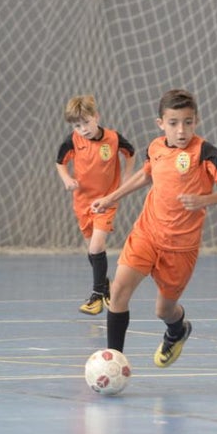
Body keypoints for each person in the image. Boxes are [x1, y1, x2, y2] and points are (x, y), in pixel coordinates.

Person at [91, 88, 217, 367]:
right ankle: (114, 361)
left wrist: (204, 199)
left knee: (164, 309)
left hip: (181, 247)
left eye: (188, 122)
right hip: (147, 233)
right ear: (161, 123)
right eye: (173, 123)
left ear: (196, 120)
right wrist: (110, 198)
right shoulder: (155, 148)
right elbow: (144, 176)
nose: (181, 130)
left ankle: (177, 329)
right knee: (119, 290)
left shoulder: (206, 153)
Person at [55, 95, 135, 314]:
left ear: (96, 117)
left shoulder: (113, 138)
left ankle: (97, 295)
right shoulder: (72, 141)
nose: (83, 129)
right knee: (92, 251)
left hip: (106, 200)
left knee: (96, 246)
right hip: (82, 202)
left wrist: (127, 177)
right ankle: (105, 287)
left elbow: (131, 153)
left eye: (86, 123)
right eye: (77, 125)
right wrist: (67, 180)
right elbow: (60, 162)